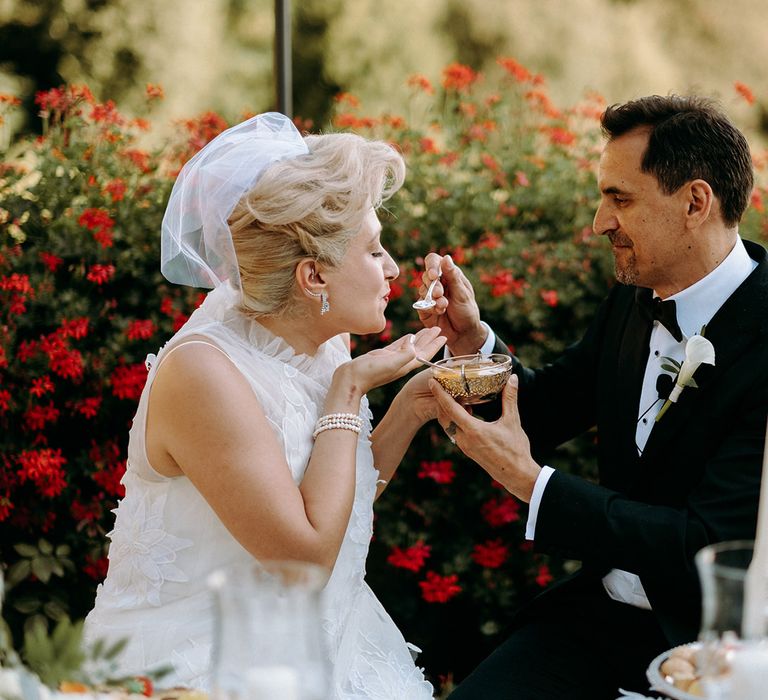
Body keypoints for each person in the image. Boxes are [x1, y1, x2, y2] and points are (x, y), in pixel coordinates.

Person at [417, 95, 768, 699]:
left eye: (620, 198)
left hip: (717, 644)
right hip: (594, 619)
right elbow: (546, 406)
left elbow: (706, 545)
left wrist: (533, 485)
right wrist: (474, 343)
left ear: (695, 202)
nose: (599, 223)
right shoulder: (635, 301)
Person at [84, 112, 444, 698]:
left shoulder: (324, 338)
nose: (393, 268)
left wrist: (417, 402)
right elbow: (302, 559)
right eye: (374, 249)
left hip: (326, 639)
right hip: (206, 666)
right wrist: (349, 388)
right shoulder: (204, 373)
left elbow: (331, 500)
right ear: (312, 277)